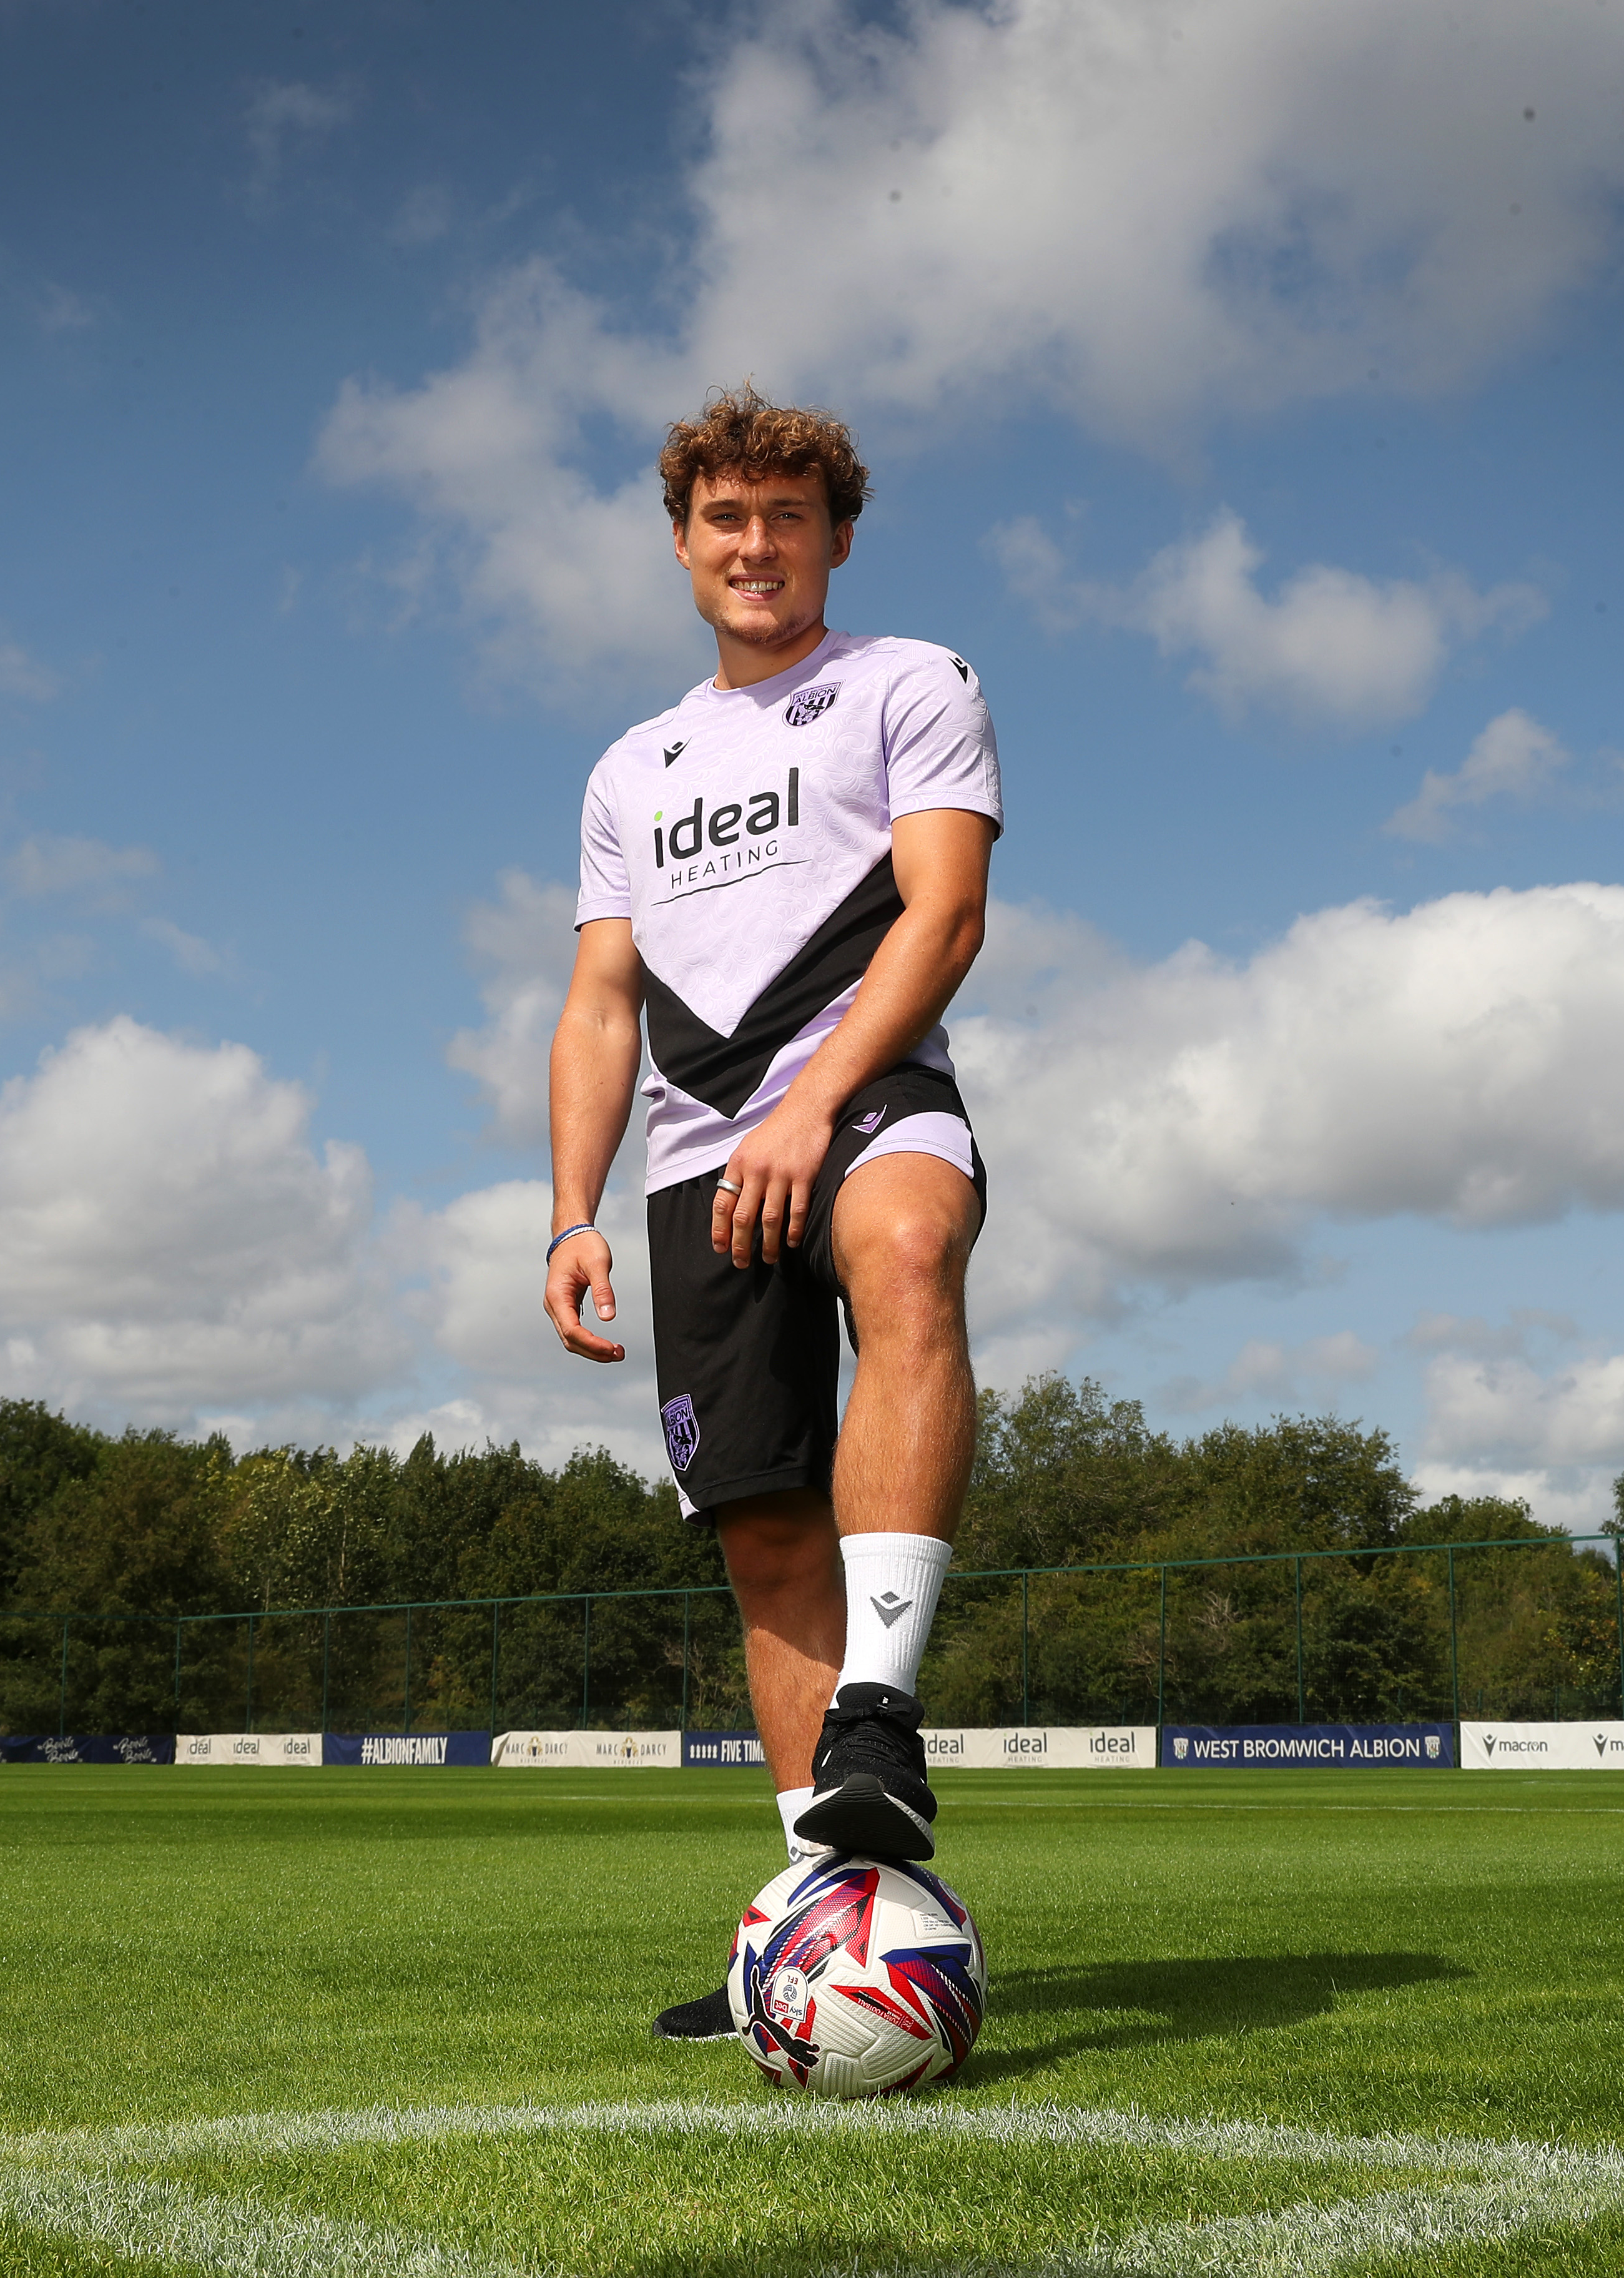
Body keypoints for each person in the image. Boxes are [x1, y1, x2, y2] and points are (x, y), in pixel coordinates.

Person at [541, 386, 999, 2043]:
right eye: (725, 519)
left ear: (837, 537)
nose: (756, 546)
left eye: (787, 517)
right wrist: (568, 1212)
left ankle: (880, 1708)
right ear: (682, 546)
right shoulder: (630, 769)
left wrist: (811, 1108)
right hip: (687, 1164)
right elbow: (600, 1003)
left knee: (909, 1251)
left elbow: (943, 919)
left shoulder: (908, 684)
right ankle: (815, 1916)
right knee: (761, 1532)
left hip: (865, 1095)